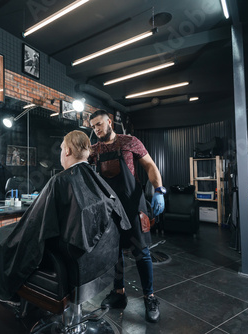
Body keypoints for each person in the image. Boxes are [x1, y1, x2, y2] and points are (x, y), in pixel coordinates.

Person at [0, 130, 130, 304]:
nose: (61, 153)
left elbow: (34, 224)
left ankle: (5, 291)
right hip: (96, 259)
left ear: (67, 151)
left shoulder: (60, 181)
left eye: (62, 148)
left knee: (2, 235)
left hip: (68, 256)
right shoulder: (97, 179)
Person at [88, 109, 165, 323]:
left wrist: (158, 191)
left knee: (141, 251)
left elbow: (150, 165)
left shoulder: (129, 142)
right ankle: (119, 293)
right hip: (110, 208)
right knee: (114, 252)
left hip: (132, 206)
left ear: (109, 121)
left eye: (99, 124)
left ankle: (149, 297)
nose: (96, 129)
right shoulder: (94, 150)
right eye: (93, 126)